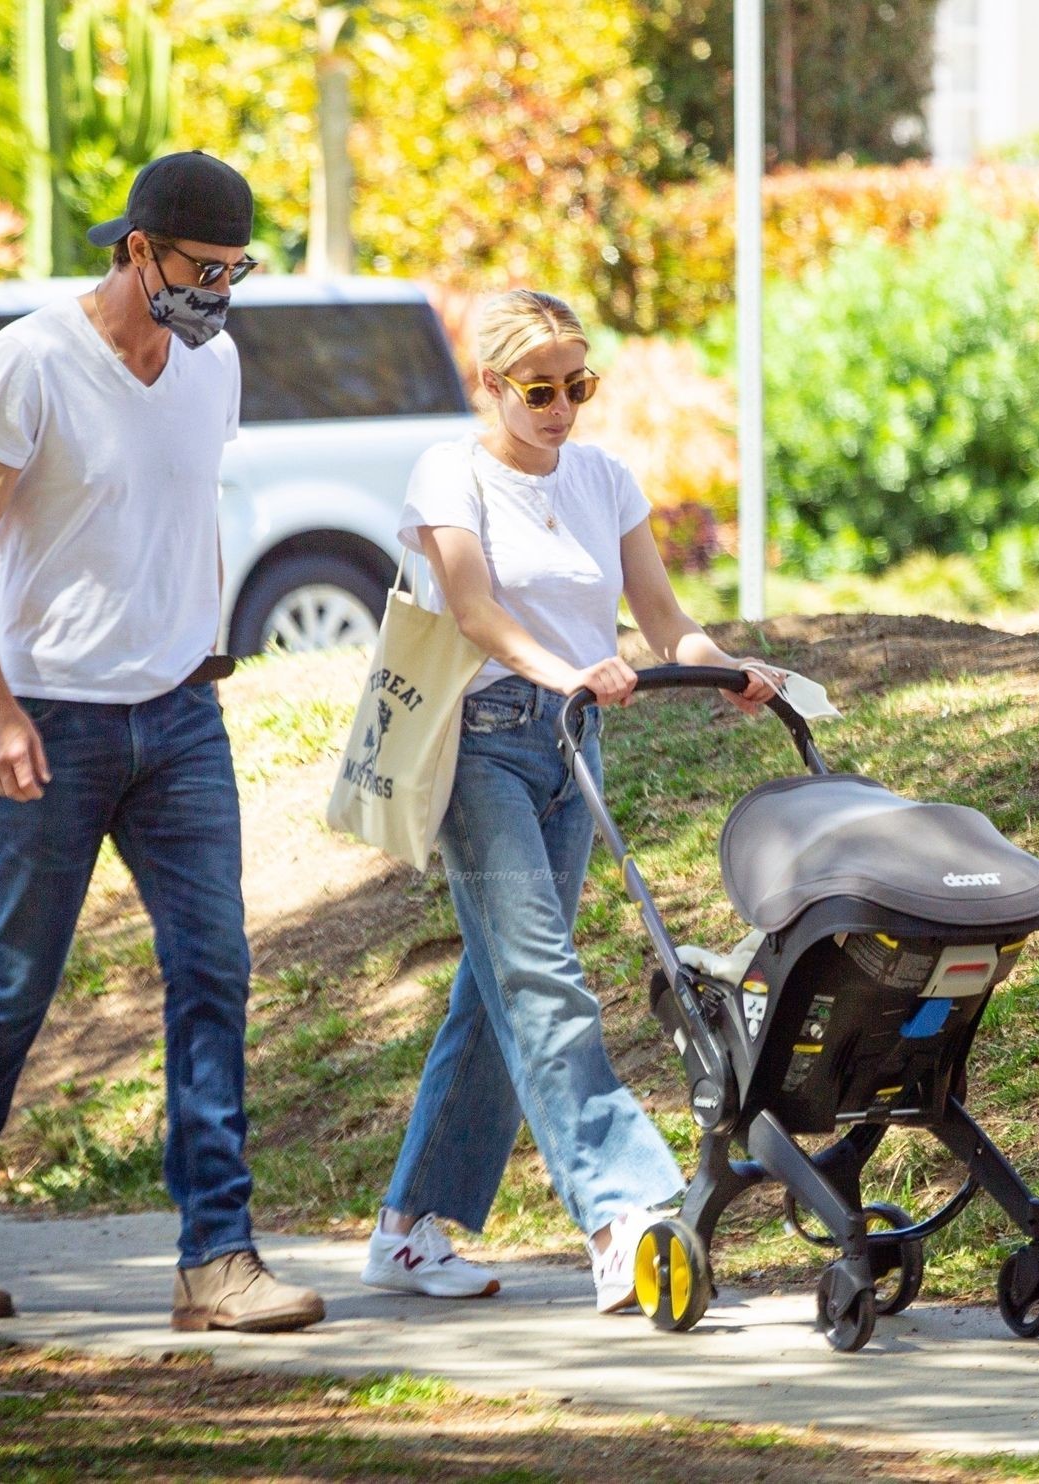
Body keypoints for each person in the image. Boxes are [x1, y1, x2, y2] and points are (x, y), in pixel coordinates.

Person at [0, 151, 323, 1334]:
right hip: (53, 719)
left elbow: (178, 509)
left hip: (183, 717)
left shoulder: (213, 363)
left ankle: (217, 1258)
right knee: (18, 982)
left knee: (215, 970)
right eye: (201, 268)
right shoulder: (30, 361)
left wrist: (197, 642)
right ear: (138, 249)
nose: (218, 292)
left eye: (235, 270)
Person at [360, 289, 786, 1311]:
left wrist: (727, 669)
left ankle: (405, 1229)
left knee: (498, 986)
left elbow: (662, 617)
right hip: (482, 747)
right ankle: (621, 1213)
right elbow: (474, 610)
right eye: (539, 390)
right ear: (491, 385)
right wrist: (567, 672)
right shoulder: (450, 474)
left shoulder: (603, 478)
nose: (561, 408)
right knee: (543, 983)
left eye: (577, 386)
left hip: (570, 747)